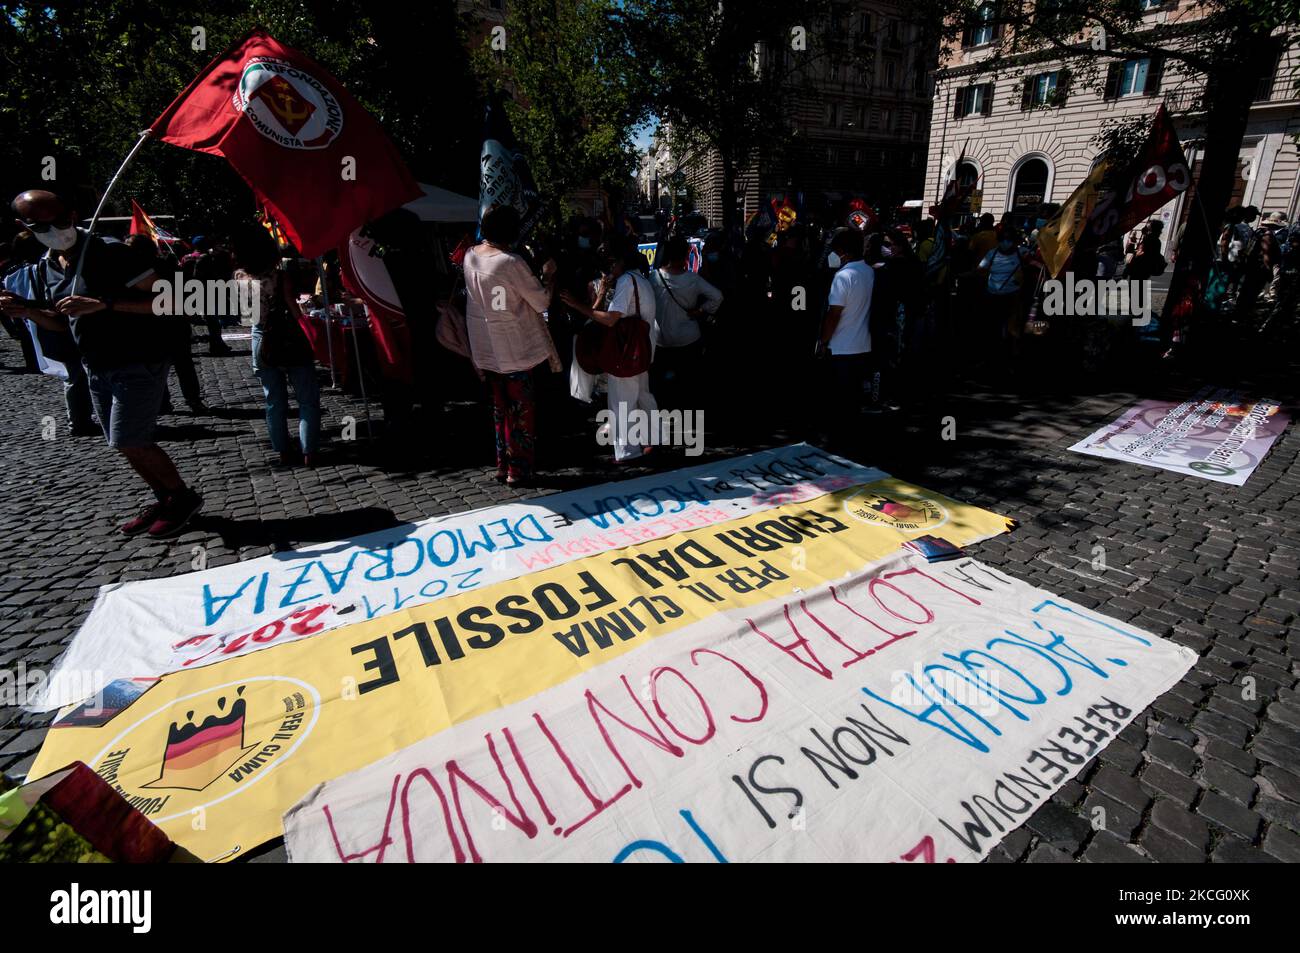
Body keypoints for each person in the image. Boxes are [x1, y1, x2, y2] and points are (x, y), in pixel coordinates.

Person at [0, 189, 202, 537]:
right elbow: (63, 322)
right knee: (120, 441)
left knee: (131, 439)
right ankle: (165, 497)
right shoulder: (47, 266)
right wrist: (30, 311)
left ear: (74, 214)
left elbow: (171, 302)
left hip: (137, 359)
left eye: (61, 219)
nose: (56, 228)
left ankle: (183, 497)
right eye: (43, 224)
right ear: (25, 227)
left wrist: (104, 304)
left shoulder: (112, 253)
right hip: (95, 365)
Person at [463, 206, 560, 485]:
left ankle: (502, 463)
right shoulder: (510, 262)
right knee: (520, 410)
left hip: (486, 347)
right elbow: (540, 301)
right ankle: (518, 469)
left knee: (500, 408)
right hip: (513, 348)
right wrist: (548, 277)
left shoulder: (471, 255)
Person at [560, 234, 658, 464]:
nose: (609, 265)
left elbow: (611, 319)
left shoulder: (625, 282)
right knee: (643, 395)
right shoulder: (639, 279)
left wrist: (578, 306)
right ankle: (654, 438)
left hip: (626, 352)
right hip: (642, 349)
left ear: (620, 260)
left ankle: (627, 451)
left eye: (611, 260)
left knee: (621, 401)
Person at [232, 226, 322, 468]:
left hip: (261, 338)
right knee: (307, 398)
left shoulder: (239, 277)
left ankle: (282, 450)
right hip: (289, 336)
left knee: (273, 401)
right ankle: (309, 450)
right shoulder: (280, 276)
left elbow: (246, 316)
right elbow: (294, 311)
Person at [125, 233, 206, 415]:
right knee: (182, 365)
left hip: (156, 324)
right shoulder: (168, 267)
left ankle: (164, 402)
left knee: (159, 366)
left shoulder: (137, 271)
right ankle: (191, 399)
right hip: (171, 323)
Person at [650, 234, 723, 412]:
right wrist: (701, 310)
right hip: (688, 339)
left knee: (662, 387)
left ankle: (665, 420)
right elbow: (718, 297)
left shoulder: (654, 277)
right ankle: (689, 420)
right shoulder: (693, 279)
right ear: (685, 255)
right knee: (689, 384)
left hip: (661, 339)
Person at [816, 227, 874, 452]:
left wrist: (823, 341)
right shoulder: (868, 271)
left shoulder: (843, 276)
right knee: (853, 398)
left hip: (841, 347)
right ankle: (852, 439)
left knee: (839, 399)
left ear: (843, 251)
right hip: (862, 344)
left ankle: (838, 443)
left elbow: (834, 314)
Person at [978, 227, 1028, 369]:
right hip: (993, 296)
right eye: (1003, 239)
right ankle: (991, 357)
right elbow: (980, 269)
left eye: (1009, 239)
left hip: (1013, 297)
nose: (1006, 242)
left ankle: (1013, 358)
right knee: (992, 327)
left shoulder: (1022, 253)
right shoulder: (991, 254)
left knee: (1013, 329)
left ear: (1014, 241)